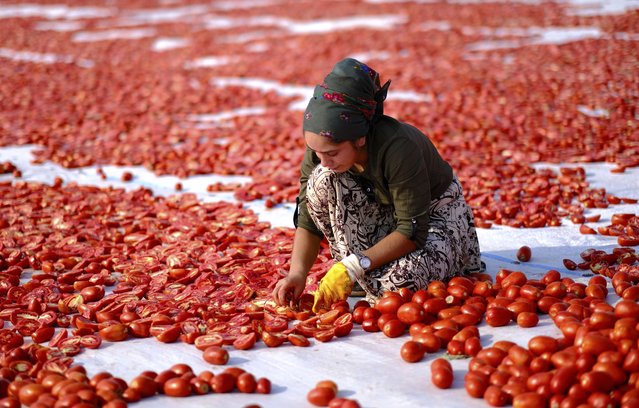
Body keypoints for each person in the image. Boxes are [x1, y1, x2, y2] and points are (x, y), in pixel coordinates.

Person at [271, 58, 482, 312]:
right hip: (387, 216)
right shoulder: (322, 148)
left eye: (333, 153)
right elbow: (307, 217)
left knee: (399, 284)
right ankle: (363, 268)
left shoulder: (399, 148)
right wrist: (297, 274)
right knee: (321, 180)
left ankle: (363, 267)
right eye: (317, 152)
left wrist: (352, 266)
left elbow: (411, 231)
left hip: (431, 217)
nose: (324, 160)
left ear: (360, 138)